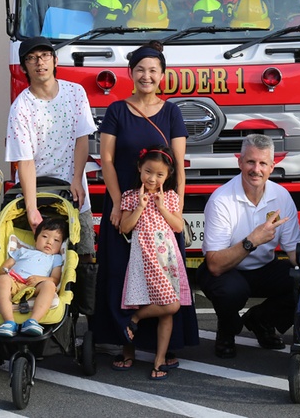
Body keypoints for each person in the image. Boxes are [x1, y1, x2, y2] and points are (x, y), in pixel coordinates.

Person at [95, 40, 199, 371]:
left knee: (163, 278)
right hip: (127, 205)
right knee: (122, 275)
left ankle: (162, 347)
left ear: (163, 75)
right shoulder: (116, 110)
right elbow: (107, 159)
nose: (146, 75)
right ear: (130, 73)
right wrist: (115, 203)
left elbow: (180, 166)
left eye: (153, 70)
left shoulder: (172, 112)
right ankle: (126, 347)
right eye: (140, 69)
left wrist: (178, 205)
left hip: (161, 210)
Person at [199, 133, 300, 358]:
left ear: (272, 166)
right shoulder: (221, 200)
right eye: (251, 162)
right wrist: (252, 241)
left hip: (263, 268)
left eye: (263, 163)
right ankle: (227, 330)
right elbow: (215, 264)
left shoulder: (282, 196)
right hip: (227, 270)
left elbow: (294, 251)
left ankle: (261, 320)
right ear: (240, 162)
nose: (256, 169)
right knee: (231, 291)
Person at [5, 36, 97, 260]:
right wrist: (31, 208)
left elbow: (81, 139)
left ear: (55, 60)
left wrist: (77, 179)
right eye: (32, 58)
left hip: (72, 190)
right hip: (34, 192)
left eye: (45, 55)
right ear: (24, 66)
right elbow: (24, 161)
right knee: (34, 257)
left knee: (83, 254)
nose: (40, 62)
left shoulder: (76, 93)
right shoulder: (20, 108)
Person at [120, 145, 192, 380]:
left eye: (159, 174)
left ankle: (158, 358)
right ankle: (134, 320)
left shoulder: (170, 197)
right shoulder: (130, 196)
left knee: (168, 310)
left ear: (168, 175)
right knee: (170, 305)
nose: (152, 178)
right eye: (148, 171)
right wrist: (140, 205)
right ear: (140, 168)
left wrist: (161, 205)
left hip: (167, 257)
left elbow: (179, 226)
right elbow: (124, 227)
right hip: (144, 256)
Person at [0, 217, 68, 338]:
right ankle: (9, 322)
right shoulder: (23, 251)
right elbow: (6, 265)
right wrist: (4, 271)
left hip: (36, 286)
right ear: (35, 239)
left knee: (50, 285)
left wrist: (40, 279)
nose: (49, 242)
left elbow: (55, 279)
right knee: (2, 280)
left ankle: (33, 321)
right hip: (15, 281)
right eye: (44, 237)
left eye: (56, 240)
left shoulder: (55, 258)